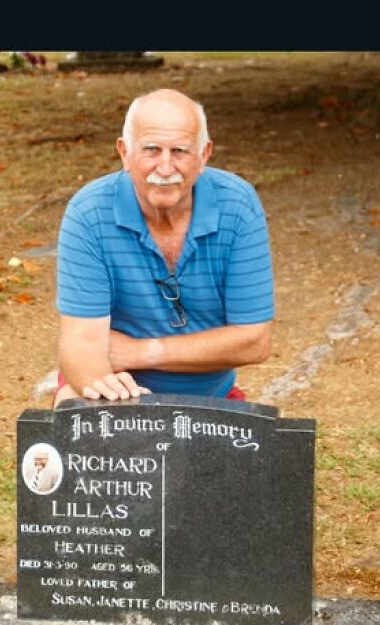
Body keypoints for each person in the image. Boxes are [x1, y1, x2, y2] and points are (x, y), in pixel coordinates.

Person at [54, 88, 274, 407]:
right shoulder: (88, 213)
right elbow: (81, 346)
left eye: (181, 151)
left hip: (209, 396)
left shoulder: (238, 206)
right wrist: (122, 406)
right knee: (75, 410)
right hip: (121, 390)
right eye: (152, 150)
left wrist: (140, 351)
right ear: (124, 152)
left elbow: (254, 342)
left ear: (204, 156)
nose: (166, 167)